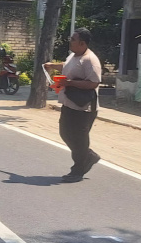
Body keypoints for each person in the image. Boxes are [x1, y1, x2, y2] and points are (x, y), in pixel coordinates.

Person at [44, 28, 102, 183]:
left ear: (82, 43)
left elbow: (94, 82)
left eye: (73, 39)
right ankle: (88, 156)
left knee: (79, 139)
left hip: (84, 108)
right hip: (69, 103)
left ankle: (78, 170)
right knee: (65, 133)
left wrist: (68, 83)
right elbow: (67, 65)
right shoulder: (74, 56)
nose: (70, 41)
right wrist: (51, 65)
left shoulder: (90, 60)